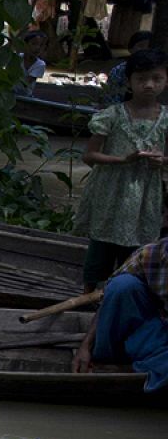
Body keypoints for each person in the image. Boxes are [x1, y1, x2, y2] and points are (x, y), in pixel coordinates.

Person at [74, 49, 168, 289]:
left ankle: (124, 295)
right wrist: (123, 160)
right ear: (129, 81)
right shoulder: (112, 115)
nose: (149, 85)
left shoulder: (166, 119)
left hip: (146, 196)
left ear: (166, 80)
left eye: (156, 79)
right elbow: (89, 156)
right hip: (110, 193)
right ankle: (89, 294)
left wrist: (161, 161)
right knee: (101, 246)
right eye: (141, 79)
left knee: (137, 250)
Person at [72, 236, 168, 390]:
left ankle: (136, 369)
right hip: (153, 330)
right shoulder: (153, 253)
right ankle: (107, 357)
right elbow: (109, 297)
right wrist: (85, 346)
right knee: (121, 285)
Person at [106, 31, 157, 104]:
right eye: (141, 46)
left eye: (150, 47)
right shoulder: (119, 71)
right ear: (130, 49)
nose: (146, 50)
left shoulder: (159, 71)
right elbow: (112, 98)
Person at [15, 30, 48, 95]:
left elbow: (26, 83)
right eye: (34, 44)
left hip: (25, 96)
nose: (37, 48)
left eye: (41, 45)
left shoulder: (40, 64)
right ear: (25, 44)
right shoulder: (17, 58)